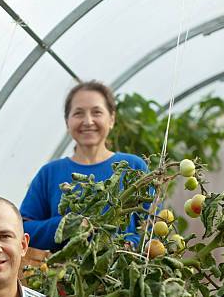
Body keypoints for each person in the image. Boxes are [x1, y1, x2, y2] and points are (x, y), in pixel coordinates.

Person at [20, 80, 150, 252]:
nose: (88, 121)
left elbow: (153, 227)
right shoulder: (50, 173)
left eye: (97, 112)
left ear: (111, 119)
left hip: (124, 275)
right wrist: (65, 225)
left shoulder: (133, 167)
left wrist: (128, 244)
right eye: (78, 114)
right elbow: (22, 229)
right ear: (67, 122)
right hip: (64, 276)